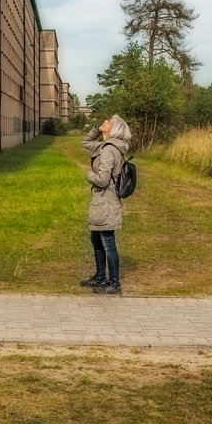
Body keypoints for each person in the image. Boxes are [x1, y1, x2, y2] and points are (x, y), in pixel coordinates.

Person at [80, 114, 131, 295]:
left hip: (106, 201)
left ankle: (114, 283)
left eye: (108, 121)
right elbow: (86, 142)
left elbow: (102, 180)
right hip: (102, 201)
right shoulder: (104, 146)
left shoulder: (109, 150)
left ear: (114, 128)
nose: (105, 121)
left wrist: (88, 175)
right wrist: (97, 128)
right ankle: (100, 277)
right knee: (96, 239)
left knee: (108, 242)